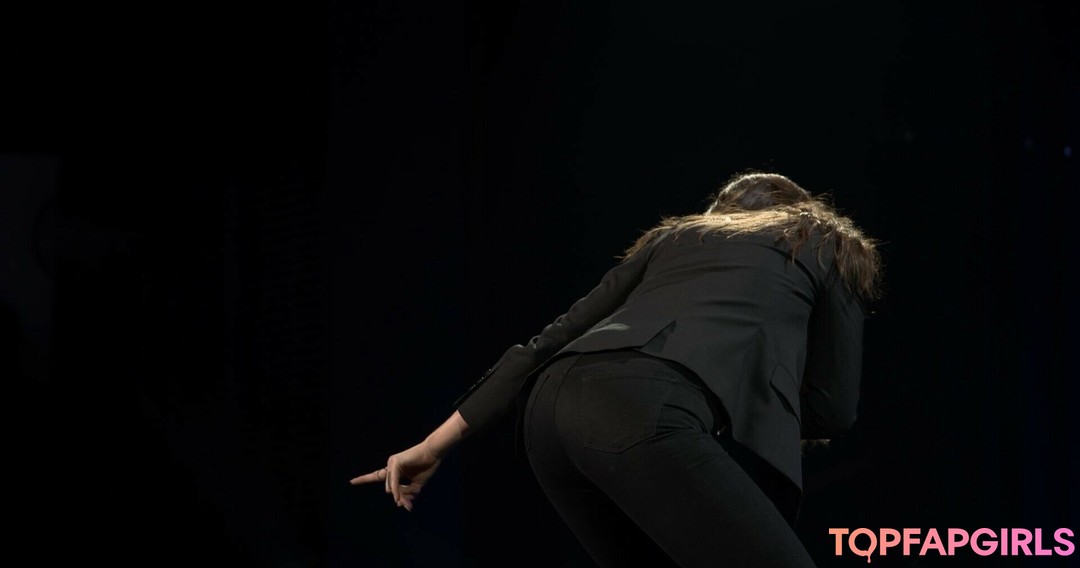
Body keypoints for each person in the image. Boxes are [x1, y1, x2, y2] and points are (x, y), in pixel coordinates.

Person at [351, 172, 882, 567]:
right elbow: (834, 409)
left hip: (547, 416)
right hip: (641, 412)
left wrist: (432, 445)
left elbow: (545, 344)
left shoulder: (674, 239)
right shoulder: (824, 239)